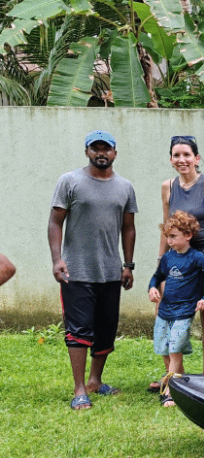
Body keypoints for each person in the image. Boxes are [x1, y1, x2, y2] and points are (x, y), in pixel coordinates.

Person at [48, 130, 137, 410]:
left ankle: (95, 381)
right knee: (78, 331)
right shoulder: (70, 181)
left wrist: (128, 265)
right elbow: (54, 223)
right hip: (76, 271)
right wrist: (57, 259)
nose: (101, 153)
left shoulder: (125, 187)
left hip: (111, 272)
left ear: (114, 153)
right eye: (95, 148)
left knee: (106, 329)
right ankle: (79, 390)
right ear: (87, 151)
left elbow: (128, 227)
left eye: (106, 148)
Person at [156, 135, 204, 379]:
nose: (182, 159)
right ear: (171, 159)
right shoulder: (168, 187)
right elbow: (167, 228)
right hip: (177, 264)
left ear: (197, 158)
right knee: (164, 316)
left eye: (187, 155)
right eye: (177, 155)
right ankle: (175, 374)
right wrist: (160, 264)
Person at [148, 212, 204, 406]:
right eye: (167, 237)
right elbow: (157, 276)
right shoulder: (167, 258)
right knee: (164, 348)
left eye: (173, 236)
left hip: (184, 311)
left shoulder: (197, 258)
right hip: (165, 310)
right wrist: (152, 288)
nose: (169, 241)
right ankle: (178, 380)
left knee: (174, 349)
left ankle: (171, 392)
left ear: (188, 235)